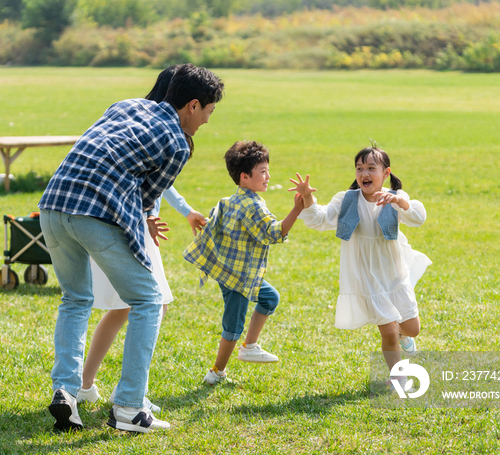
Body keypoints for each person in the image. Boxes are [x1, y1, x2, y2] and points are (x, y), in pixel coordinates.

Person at [38, 64, 224, 433]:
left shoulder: (125, 105)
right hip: (94, 215)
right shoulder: (177, 143)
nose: (206, 121)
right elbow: (143, 200)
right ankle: (128, 409)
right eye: (208, 111)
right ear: (192, 105)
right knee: (148, 300)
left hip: (52, 206)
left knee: (75, 300)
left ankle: (66, 392)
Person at [78, 65, 207, 413]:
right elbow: (144, 183)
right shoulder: (160, 128)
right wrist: (146, 216)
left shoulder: (140, 119)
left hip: (130, 222)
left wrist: (183, 211)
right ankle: (128, 393)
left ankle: (88, 384)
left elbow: (163, 183)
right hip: (127, 226)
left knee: (131, 306)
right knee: (149, 305)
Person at [290, 145, 431, 388]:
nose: (364, 173)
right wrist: (307, 197)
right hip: (366, 276)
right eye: (359, 168)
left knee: (413, 328)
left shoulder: (395, 196)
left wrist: (398, 201)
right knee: (387, 331)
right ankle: (398, 378)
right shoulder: (346, 199)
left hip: (393, 272)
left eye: (371, 168)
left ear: (386, 173)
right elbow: (320, 219)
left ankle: (402, 335)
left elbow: (418, 218)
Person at [183, 140, 304, 385]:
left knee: (270, 298)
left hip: (232, 272)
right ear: (245, 177)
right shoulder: (253, 205)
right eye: (262, 172)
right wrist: (296, 210)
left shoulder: (227, 201)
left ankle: (249, 345)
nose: (268, 176)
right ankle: (216, 372)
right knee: (232, 328)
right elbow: (275, 233)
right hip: (238, 278)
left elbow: (215, 224)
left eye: (268, 170)